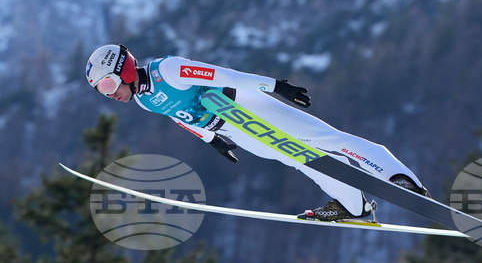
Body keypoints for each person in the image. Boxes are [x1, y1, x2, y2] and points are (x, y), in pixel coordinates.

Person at [85, 44, 428, 221]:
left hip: (243, 106)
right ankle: (354, 207)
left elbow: (226, 75)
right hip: (234, 129)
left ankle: (396, 177)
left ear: (125, 69)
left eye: (109, 84)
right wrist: (212, 140)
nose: (110, 94)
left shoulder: (169, 69)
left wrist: (276, 86)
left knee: (325, 140)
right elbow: (180, 117)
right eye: (102, 91)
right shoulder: (144, 100)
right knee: (305, 160)